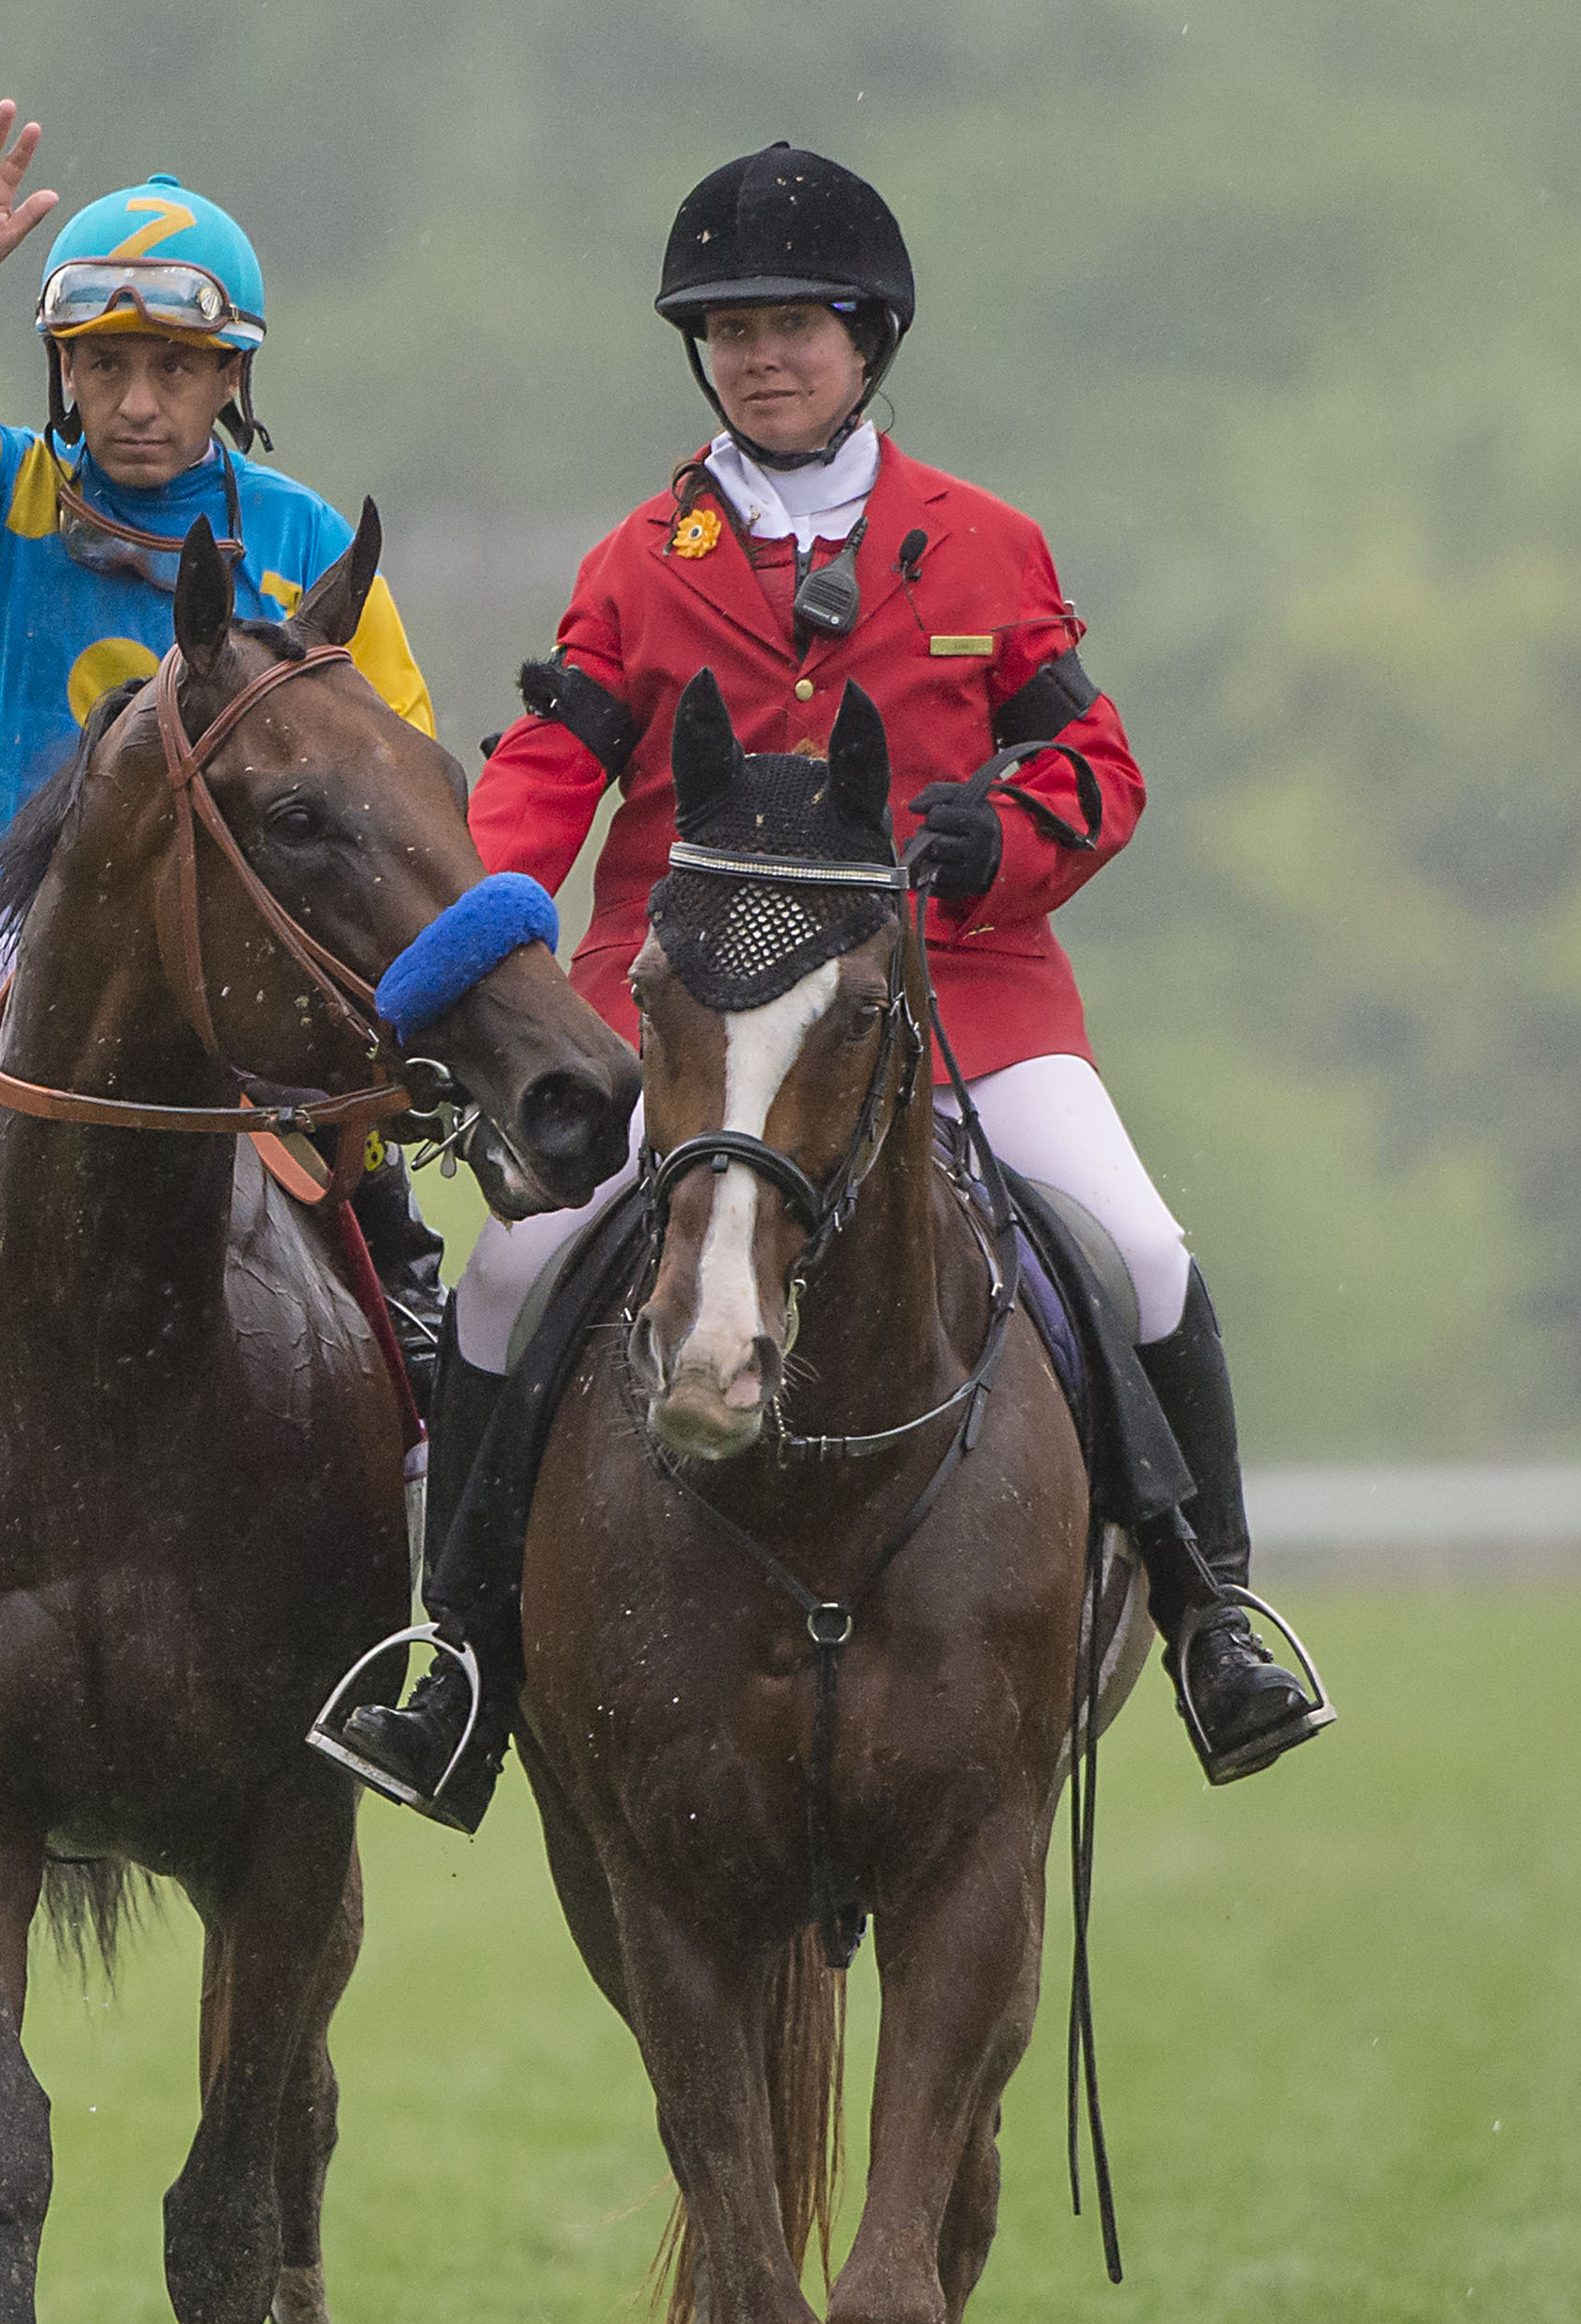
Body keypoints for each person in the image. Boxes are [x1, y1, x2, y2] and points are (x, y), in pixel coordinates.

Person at [327, 141, 1328, 1826]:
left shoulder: (985, 546)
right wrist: (471, 940)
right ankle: (463, 1660)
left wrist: (986, 840)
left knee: (1136, 1251)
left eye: (791, 323)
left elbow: (1091, 763)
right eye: (725, 329)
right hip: (689, 1007)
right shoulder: (638, 560)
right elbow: (549, 778)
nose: (757, 354)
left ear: (867, 339)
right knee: (510, 1280)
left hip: (956, 991)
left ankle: (1213, 1612)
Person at [0, 102, 446, 1422]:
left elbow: (396, 771)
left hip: (247, 943)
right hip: (32, 938)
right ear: (62, 367)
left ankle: (399, 1285)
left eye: (175, 370)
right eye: (104, 364)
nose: (135, 402)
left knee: (351, 1045)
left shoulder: (303, 539)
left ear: (233, 378)